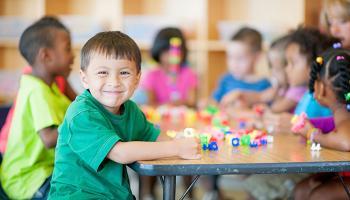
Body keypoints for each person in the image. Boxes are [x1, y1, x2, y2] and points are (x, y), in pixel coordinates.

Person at [48, 31, 201, 199]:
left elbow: (153, 136)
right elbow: (120, 153)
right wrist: (177, 148)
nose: (114, 82)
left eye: (124, 73)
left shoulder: (131, 110)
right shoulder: (81, 114)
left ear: (137, 79)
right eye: (102, 73)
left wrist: (183, 141)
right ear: (85, 79)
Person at [0, 16, 74, 199]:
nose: (73, 55)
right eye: (67, 49)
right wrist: (81, 124)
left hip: (44, 170)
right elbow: (49, 138)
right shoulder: (36, 90)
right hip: (27, 177)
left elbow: (77, 104)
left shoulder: (52, 87)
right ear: (46, 55)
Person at [293, 48, 350, 200]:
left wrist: (312, 134)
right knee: (303, 189)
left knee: (319, 195)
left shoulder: (346, 119)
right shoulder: (341, 117)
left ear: (320, 88)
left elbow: (346, 142)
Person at [263, 27, 338, 134]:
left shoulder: (319, 97)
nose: (287, 69)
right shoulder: (308, 94)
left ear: (314, 65)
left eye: (292, 63)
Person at [213, 27, 271, 105]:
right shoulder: (225, 80)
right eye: (230, 57)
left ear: (257, 57)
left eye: (240, 58)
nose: (234, 64)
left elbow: (264, 111)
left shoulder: (265, 86)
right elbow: (214, 103)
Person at [141, 27, 198, 107]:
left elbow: (192, 103)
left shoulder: (189, 74)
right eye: (166, 50)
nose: (172, 54)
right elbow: (150, 103)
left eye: (177, 50)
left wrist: (180, 103)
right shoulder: (151, 76)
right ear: (158, 50)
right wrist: (166, 105)